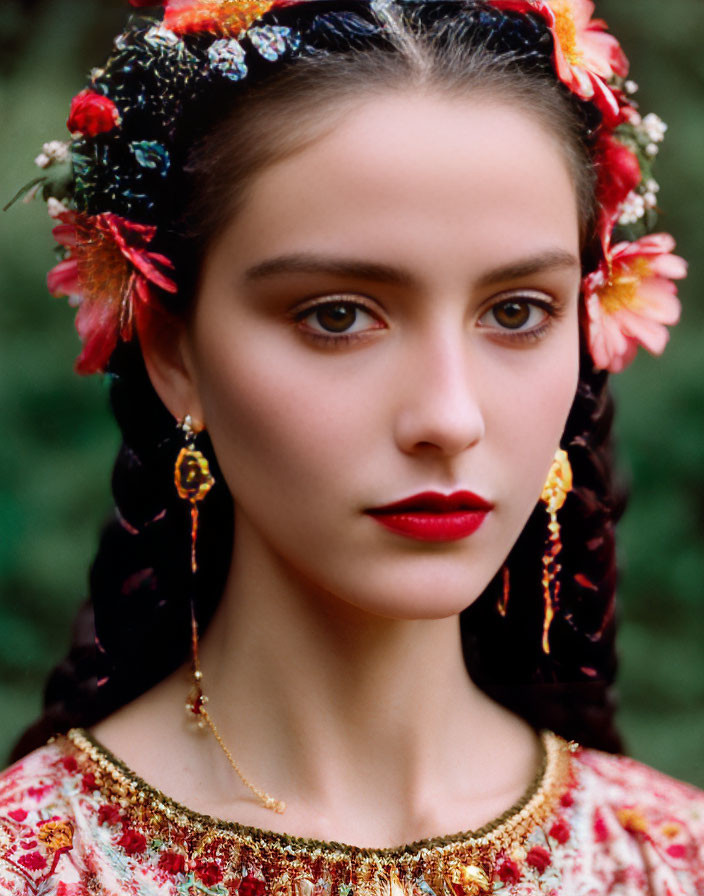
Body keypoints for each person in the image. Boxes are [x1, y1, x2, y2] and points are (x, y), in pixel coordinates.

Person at [1, 0, 701, 892]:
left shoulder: (668, 862)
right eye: (338, 316)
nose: (449, 418)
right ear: (174, 351)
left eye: (518, 312)